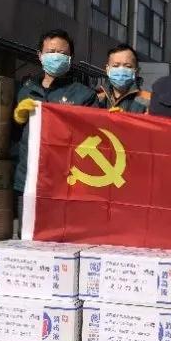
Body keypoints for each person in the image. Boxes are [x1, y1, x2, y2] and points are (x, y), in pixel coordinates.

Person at [12, 29, 97, 224]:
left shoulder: (84, 95)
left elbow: (94, 137)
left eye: (62, 53)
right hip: (29, 180)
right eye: (51, 52)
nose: (56, 57)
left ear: (70, 58)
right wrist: (18, 119)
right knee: (28, 235)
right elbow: (12, 137)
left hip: (66, 183)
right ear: (40, 55)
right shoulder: (25, 90)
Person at [96, 43, 151, 113]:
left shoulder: (149, 101)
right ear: (107, 69)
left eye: (128, 66)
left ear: (137, 71)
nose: (121, 70)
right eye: (116, 66)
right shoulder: (97, 98)